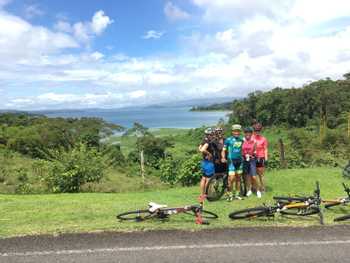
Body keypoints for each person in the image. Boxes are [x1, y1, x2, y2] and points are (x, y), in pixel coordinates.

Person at [221, 124, 244, 201]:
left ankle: (237, 195)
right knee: (231, 178)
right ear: (232, 132)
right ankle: (230, 195)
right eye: (235, 131)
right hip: (231, 161)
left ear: (240, 132)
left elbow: (243, 150)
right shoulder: (228, 140)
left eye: (238, 131)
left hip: (239, 161)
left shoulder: (241, 140)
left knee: (238, 178)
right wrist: (223, 157)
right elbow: (223, 150)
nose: (236, 133)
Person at [242, 127, 261, 198]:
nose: (247, 134)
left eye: (249, 132)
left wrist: (253, 155)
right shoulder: (242, 140)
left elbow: (256, 151)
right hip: (244, 159)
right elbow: (241, 150)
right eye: (246, 132)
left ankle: (258, 190)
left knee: (254, 176)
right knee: (247, 176)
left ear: (251, 133)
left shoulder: (254, 141)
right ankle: (249, 190)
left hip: (252, 160)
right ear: (244, 133)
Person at [198, 127, 215, 203]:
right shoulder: (208, 142)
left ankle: (202, 195)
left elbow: (199, 148)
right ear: (209, 135)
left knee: (203, 178)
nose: (212, 136)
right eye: (211, 134)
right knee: (209, 179)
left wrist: (204, 153)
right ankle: (207, 194)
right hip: (209, 163)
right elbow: (202, 149)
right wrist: (209, 153)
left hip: (204, 162)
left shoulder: (204, 140)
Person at [252, 123, 268, 193]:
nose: (257, 132)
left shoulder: (263, 139)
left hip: (261, 157)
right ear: (254, 131)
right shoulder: (251, 138)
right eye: (256, 130)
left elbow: (265, 149)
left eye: (258, 130)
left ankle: (263, 188)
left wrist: (266, 157)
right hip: (252, 158)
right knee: (253, 174)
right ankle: (254, 187)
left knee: (261, 174)